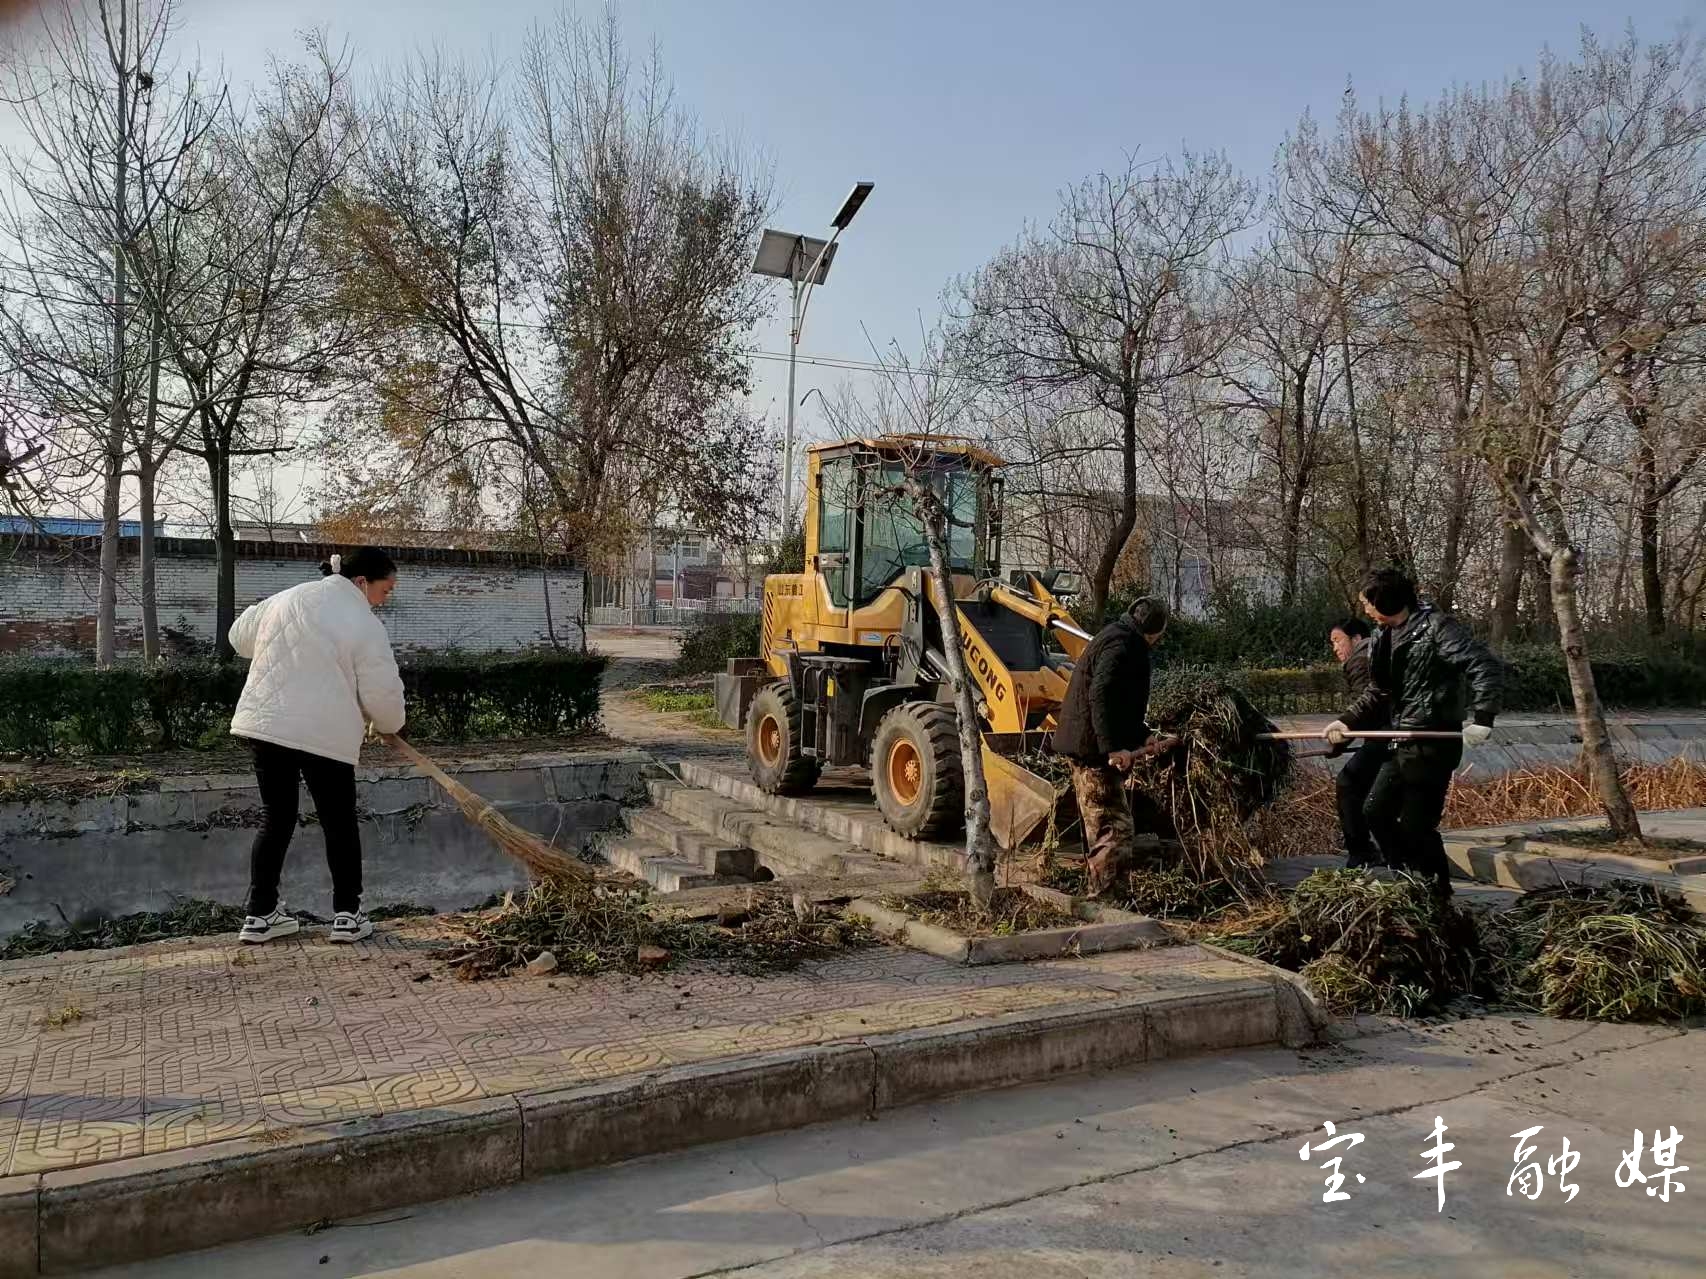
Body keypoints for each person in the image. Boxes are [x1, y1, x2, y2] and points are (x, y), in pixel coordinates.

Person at [228, 547, 406, 944]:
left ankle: (259, 916)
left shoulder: (287, 597)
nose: (386, 597)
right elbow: (382, 691)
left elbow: (238, 637)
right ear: (361, 582)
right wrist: (391, 724)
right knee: (338, 822)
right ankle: (347, 916)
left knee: (277, 818)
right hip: (324, 733)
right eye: (386, 588)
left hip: (267, 725)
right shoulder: (364, 622)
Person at [1324, 568, 1502, 895]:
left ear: (1386, 601)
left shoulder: (1437, 628)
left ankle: (1436, 892)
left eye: (1368, 603)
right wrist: (1345, 722)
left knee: (1416, 826)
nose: (1364, 610)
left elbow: (1483, 665)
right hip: (1398, 739)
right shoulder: (1381, 637)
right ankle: (1408, 877)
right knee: (1374, 811)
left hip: (1432, 743)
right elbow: (1377, 693)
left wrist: (1483, 718)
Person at [1051, 595, 1171, 895]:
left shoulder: (1120, 636)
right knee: (1114, 828)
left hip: (1088, 745)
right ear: (1156, 631)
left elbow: (1121, 704)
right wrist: (1111, 749)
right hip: (1091, 751)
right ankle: (1106, 901)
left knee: (1102, 825)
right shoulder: (1122, 645)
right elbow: (1100, 696)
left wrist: (1142, 736)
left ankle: (1102, 891)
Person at [1326, 616, 1386, 869]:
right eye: (1332, 643)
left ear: (1357, 639)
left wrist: (1341, 736)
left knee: (1348, 784)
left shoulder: (1361, 658)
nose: (1335, 648)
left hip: (1385, 735)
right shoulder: (1374, 653)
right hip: (1384, 733)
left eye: (1338, 640)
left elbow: (1369, 704)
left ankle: (1362, 851)